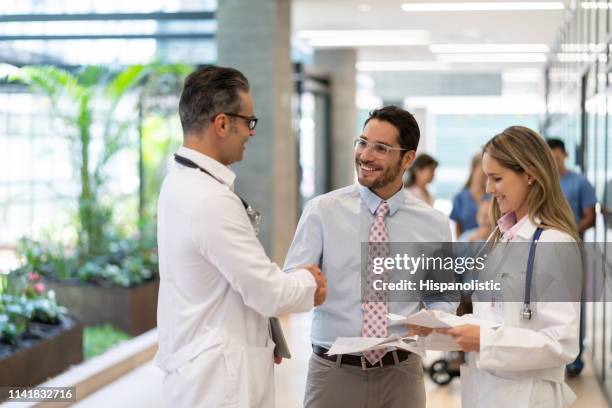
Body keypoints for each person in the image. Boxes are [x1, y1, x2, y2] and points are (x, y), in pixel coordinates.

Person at [155, 66, 327, 408]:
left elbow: (229, 282)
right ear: (222, 123)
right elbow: (267, 292)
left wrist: (263, 334)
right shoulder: (210, 200)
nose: (251, 132)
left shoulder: (180, 181)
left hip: (204, 365)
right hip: (218, 383)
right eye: (248, 121)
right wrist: (310, 281)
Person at [284, 106, 457, 408]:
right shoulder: (322, 211)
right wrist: (305, 288)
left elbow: (443, 297)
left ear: (407, 158)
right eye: (362, 142)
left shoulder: (434, 224)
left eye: (381, 148)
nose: (365, 155)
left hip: (402, 373)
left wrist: (435, 319)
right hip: (334, 373)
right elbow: (292, 284)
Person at [436, 126, 581, 407]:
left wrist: (485, 341)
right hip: (485, 388)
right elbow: (493, 316)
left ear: (529, 174)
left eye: (496, 178)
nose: (488, 189)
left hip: (527, 396)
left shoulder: (554, 243)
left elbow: (561, 343)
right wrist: (443, 329)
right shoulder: (501, 236)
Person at [546, 138, 596, 377]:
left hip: (573, 249)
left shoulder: (580, 182)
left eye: (557, 156)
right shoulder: (545, 182)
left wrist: (567, 230)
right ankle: (553, 353)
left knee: (575, 304)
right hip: (548, 252)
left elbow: (591, 216)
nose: (554, 161)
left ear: (564, 155)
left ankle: (574, 361)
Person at [450, 154, 488, 238]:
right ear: (474, 168)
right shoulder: (459, 198)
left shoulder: (493, 197)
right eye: (484, 168)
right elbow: (458, 232)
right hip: (467, 246)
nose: (487, 172)